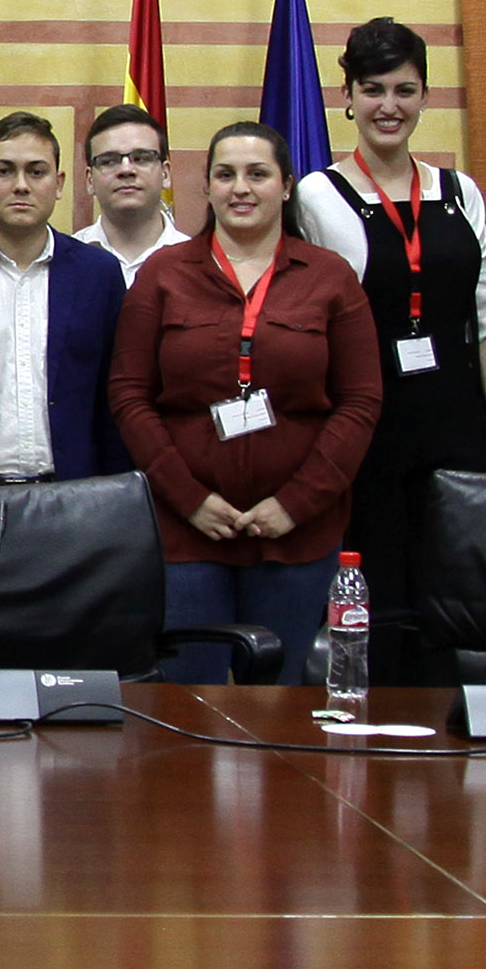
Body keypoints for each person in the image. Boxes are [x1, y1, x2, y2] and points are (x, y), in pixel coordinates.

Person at [109, 122, 383, 685]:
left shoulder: (330, 278)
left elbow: (360, 403)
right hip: (187, 532)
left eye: (258, 174)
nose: (241, 188)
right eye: (225, 174)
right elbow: (130, 395)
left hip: (297, 535)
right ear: (204, 187)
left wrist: (296, 504)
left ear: (286, 186)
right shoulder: (163, 275)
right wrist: (189, 499)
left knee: (281, 708)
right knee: (192, 701)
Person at [293, 18, 486, 684]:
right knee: (376, 596)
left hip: (457, 426)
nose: (390, 105)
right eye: (374, 89)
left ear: (425, 96)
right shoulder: (316, 195)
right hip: (370, 432)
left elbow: (485, 317)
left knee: (455, 593)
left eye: (406, 89)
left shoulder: (460, 191)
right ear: (348, 97)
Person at [0, 112, 131, 487]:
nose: (21, 185)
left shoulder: (99, 274)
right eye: (4, 171)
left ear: (59, 183)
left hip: (75, 495)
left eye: (37, 171)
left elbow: (116, 395)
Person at [76, 103, 188, 285]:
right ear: (90, 180)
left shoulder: (199, 264)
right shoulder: (62, 262)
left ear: (165, 174)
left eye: (142, 158)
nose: (126, 170)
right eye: (109, 161)